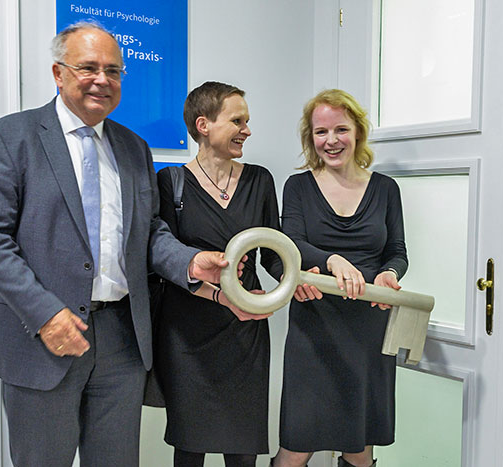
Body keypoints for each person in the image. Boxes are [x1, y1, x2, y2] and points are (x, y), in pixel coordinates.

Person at [0, 21, 231, 466]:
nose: (102, 80)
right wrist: (45, 313)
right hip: (42, 336)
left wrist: (190, 263)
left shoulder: (134, 148)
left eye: (113, 70)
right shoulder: (10, 138)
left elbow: (149, 233)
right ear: (58, 73)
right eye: (88, 67)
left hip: (122, 341)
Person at [273, 89, 408, 467]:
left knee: (359, 446)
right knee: (297, 446)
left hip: (368, 327)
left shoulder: (385, 188)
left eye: (340, 130)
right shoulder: (298, 186)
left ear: (358, 133)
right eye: (320, 132)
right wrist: (333, 260)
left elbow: (397, 251)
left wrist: (388, 275)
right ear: (310, 138)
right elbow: (292, 244)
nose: (331, 141)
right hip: (314, 325)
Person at [155, 81, 284, 467]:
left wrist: (301, 278)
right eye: (237, 120)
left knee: (244, 451)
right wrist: (215, 293)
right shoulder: (171, 183)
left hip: (245, 332)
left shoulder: (260, 180)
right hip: (187, 334)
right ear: (204, 125)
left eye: (247, 121)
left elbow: (273, 256)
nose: (247, 129)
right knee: (190, 449)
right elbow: (164, 260)